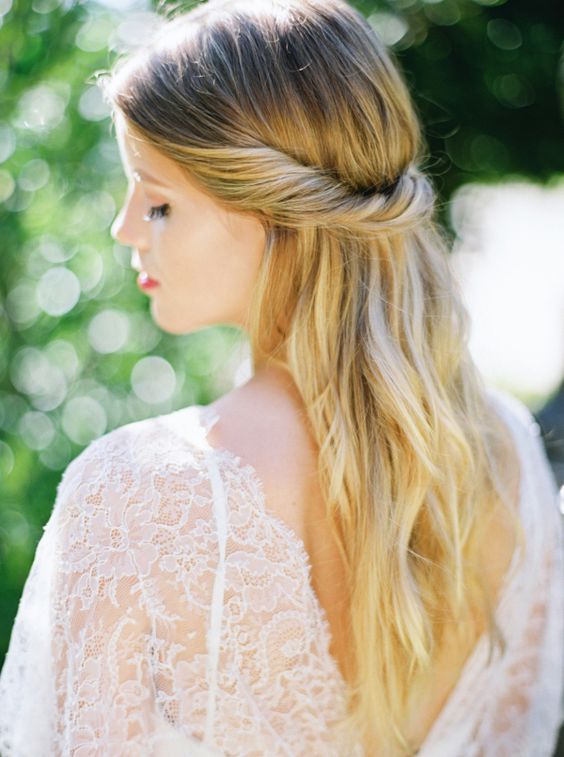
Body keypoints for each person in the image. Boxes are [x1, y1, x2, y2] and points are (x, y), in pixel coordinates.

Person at [0, 0, 562, 754]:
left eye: (159, 202)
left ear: (281, 214)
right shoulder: (508, 457)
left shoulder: (139, 488)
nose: (125, 228)